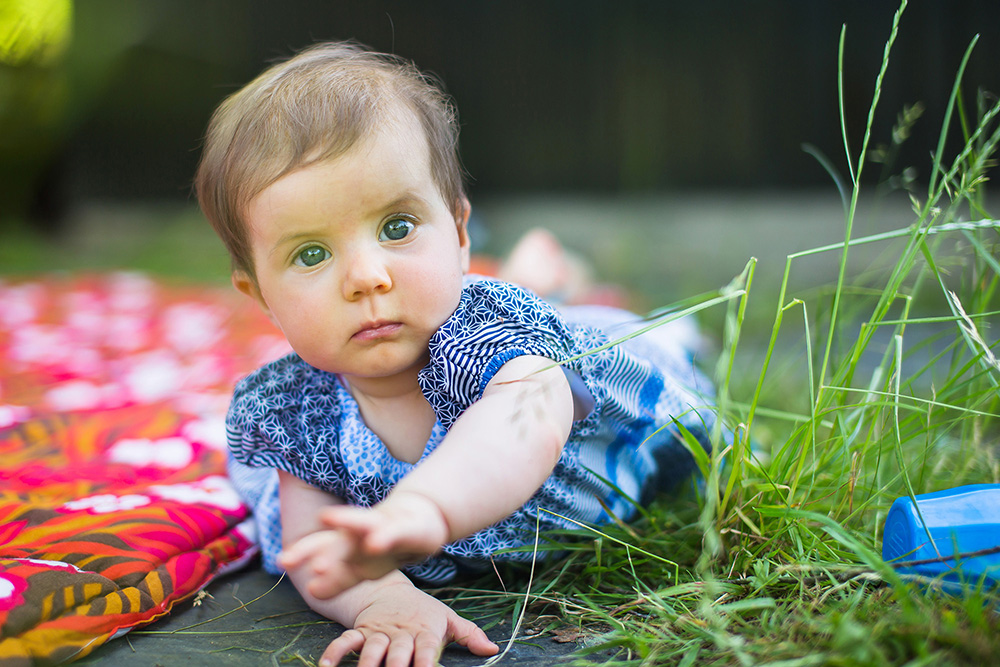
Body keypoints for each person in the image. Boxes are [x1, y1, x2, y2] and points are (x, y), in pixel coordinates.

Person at [195, 41, 718, 667]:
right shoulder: (291, 415)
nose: (366, 277)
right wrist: (381, 598)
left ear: (461, 234)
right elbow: (311, 543)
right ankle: (541, 272)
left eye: (396, 228)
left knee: (633, 332)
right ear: (261, 296)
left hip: (624, 404)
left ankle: (562, 282)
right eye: (311, 254)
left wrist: (425, 508)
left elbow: (525, 422)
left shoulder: (485, 335)